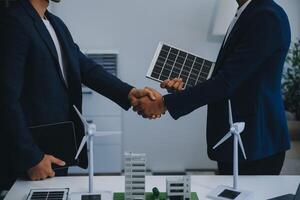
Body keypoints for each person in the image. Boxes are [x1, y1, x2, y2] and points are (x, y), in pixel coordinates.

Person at [0, 0, 163, 192]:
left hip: (56, 151)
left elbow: (85, 68)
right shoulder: (13, 22)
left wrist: (130, 93)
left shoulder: (55, 23)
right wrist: (31, 157)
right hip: (31, 158)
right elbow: (5, 98)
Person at [134, 0, 291, 175]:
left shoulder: (266, 16)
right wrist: (188, 85)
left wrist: (164, 103)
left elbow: (226, 81)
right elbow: (238, 76)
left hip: (255, 142)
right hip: (244, 141)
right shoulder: (249, 12)